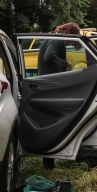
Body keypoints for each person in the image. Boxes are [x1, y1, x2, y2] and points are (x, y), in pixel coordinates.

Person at [37, 22, 81, 170]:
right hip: (49, 87)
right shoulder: (56, 40)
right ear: (69, 33)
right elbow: (49, 57)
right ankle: (48, 165)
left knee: (50, 124)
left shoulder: (54, 39)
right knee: (51, 125)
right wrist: (64, 63)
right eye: (71, 39)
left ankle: (49, 163)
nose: (70, 43)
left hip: (48, 85)